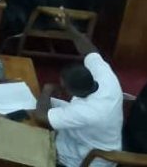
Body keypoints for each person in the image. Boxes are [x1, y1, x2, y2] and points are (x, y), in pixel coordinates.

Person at [33, 14, 124, 167]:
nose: (61, 87)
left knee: (33, 124)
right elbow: (89, 50)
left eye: (63, 86)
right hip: (86, 136)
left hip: (86, 159)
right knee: (35, 102)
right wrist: (69, 28)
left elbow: (41, 116)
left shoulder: (87, 111)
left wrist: (48, 89)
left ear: (72, 92)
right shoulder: (106, 78)